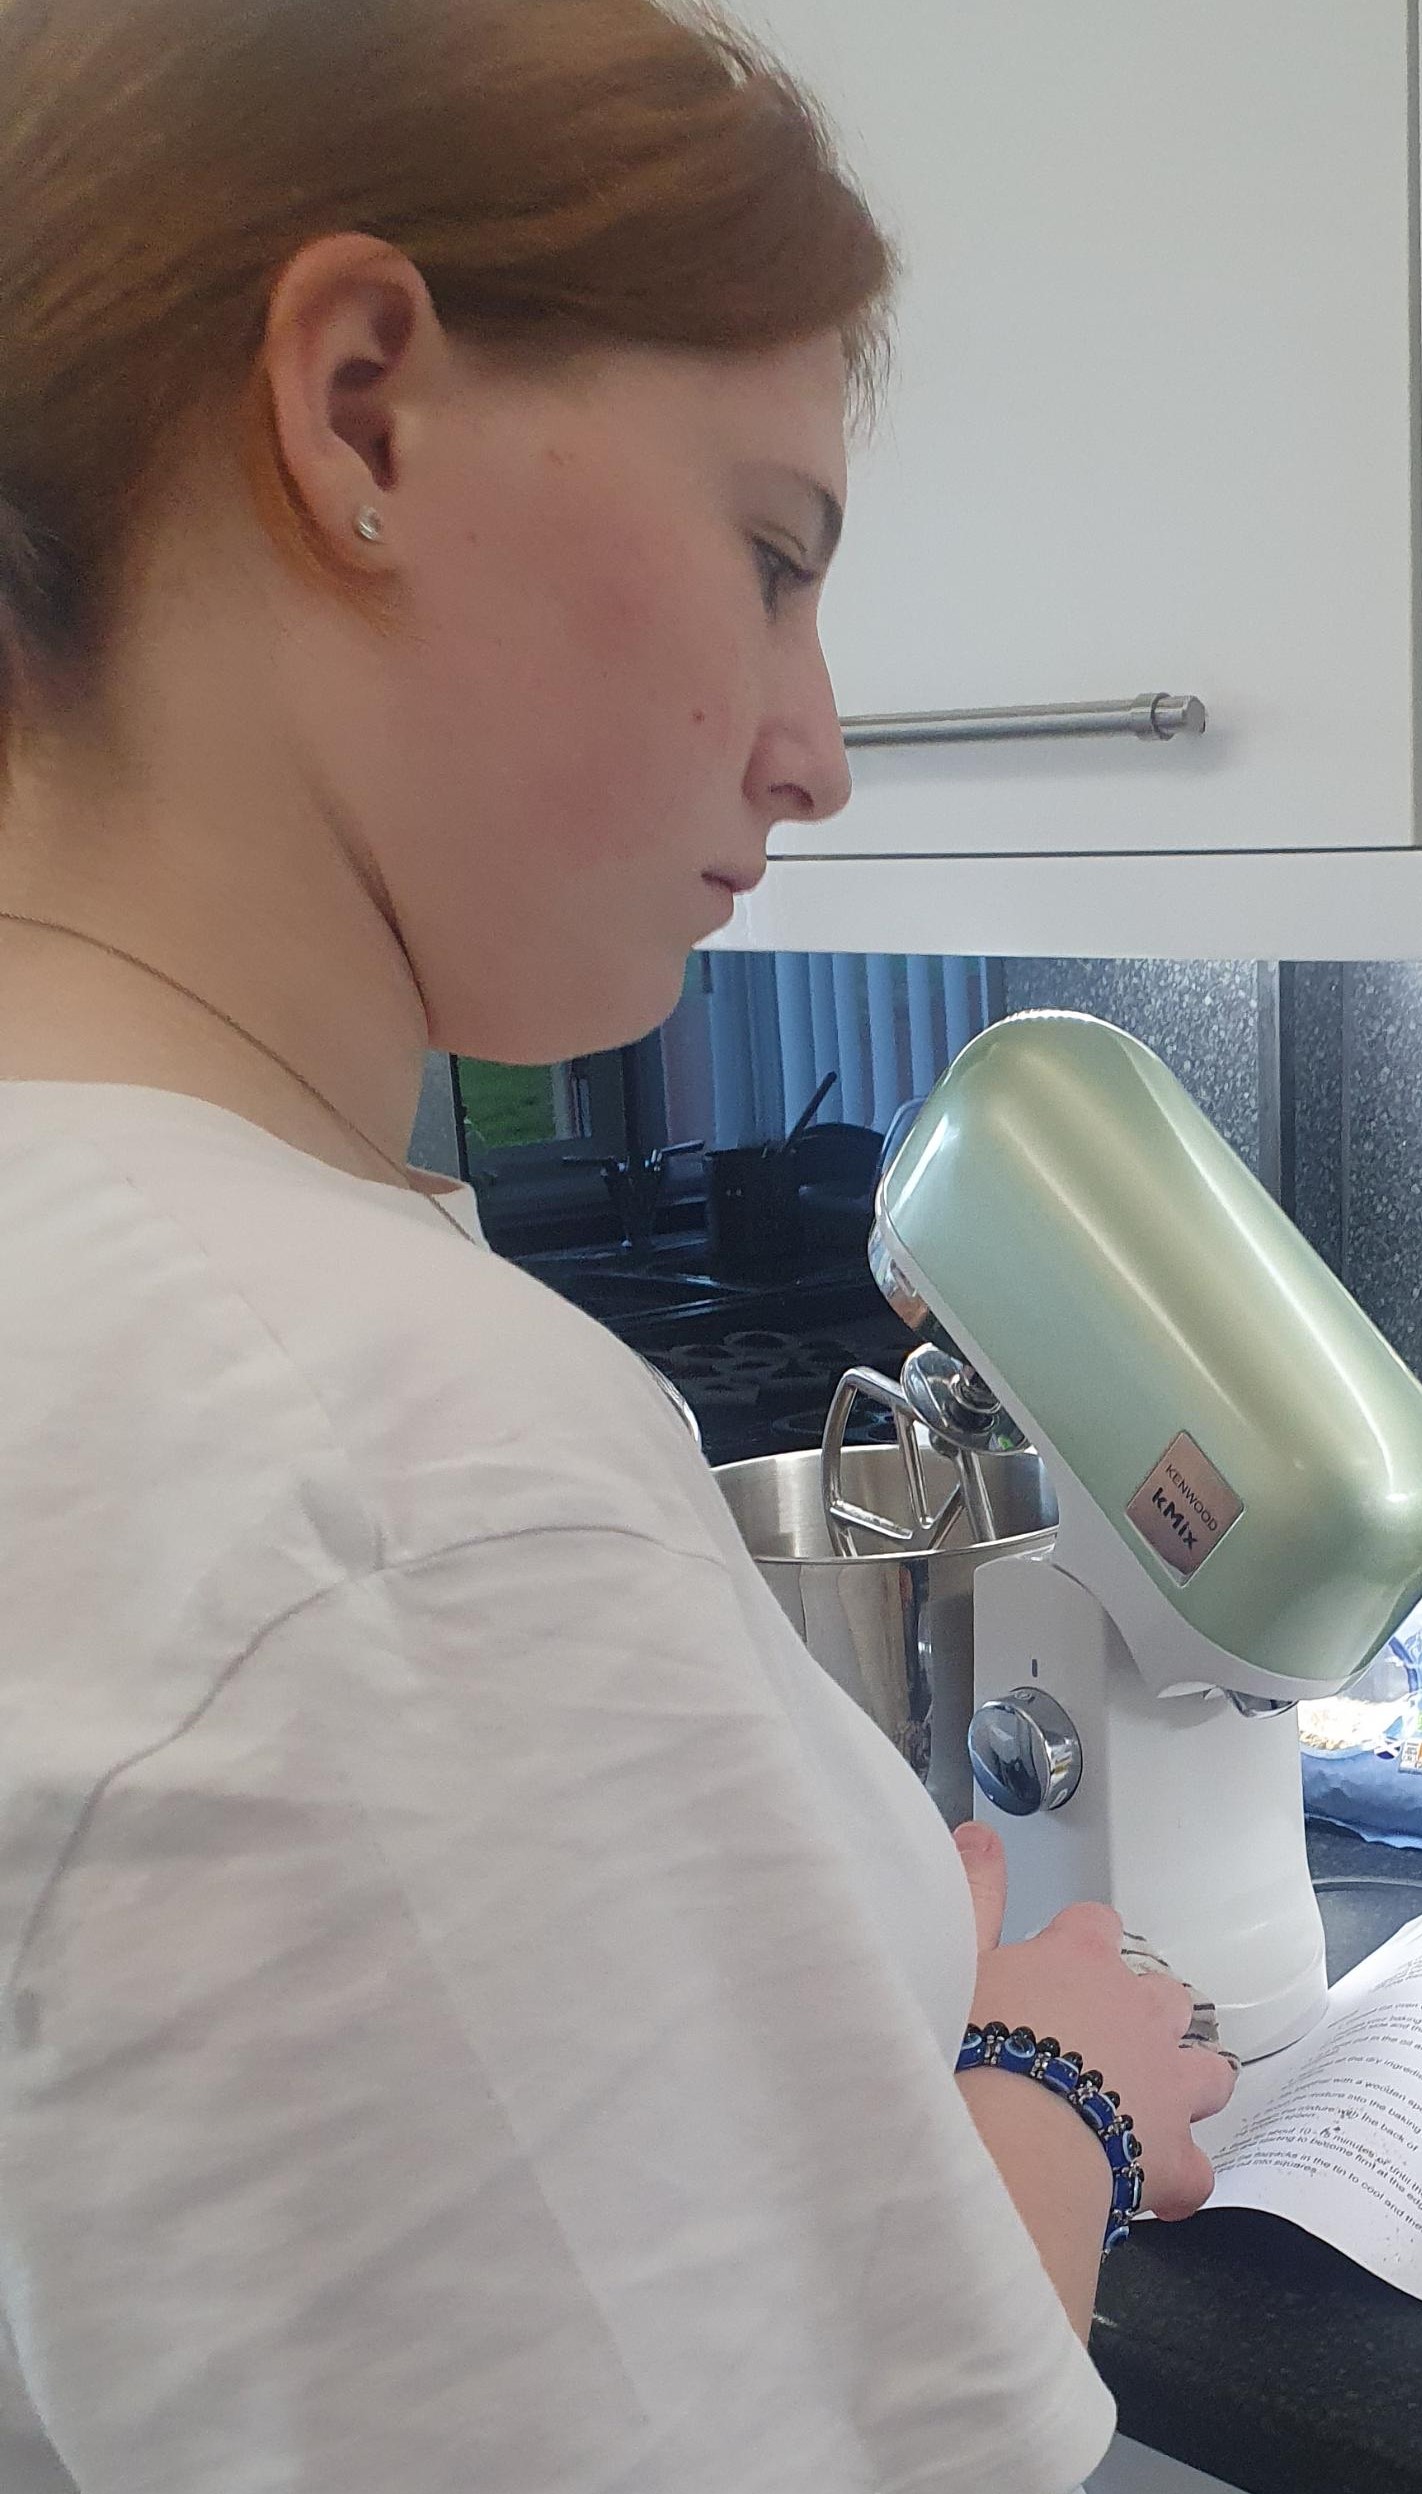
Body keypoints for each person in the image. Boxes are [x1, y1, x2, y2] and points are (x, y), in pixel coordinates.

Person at [0, 2, 1235, 2487]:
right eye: (771, 558)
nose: (821, 742)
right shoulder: (383, 1478)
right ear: (359, 410)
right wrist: (1051, 2089)